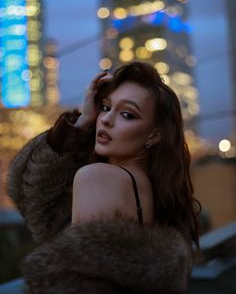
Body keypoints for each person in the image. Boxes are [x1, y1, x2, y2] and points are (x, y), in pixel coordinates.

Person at [8, 62, 199, 294]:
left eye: (127, 114)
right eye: (106, 107)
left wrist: (81, 126)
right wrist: (83, 121)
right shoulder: (145, 185)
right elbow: (34, 200)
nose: (106, 120)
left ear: (155, 134)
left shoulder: (98, 178)